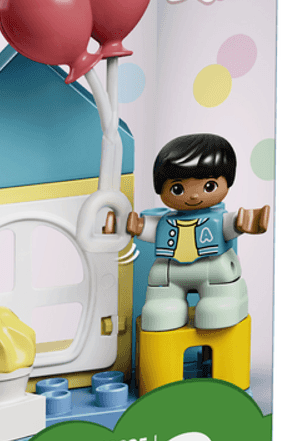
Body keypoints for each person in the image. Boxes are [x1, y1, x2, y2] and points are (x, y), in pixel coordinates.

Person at [107, 133, 269, 331]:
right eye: (177, 189)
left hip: (213, 270)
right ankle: (166, 305)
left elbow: (233, 223)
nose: (193, 196)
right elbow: (145, 228)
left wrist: (246, 221)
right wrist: (128, 226)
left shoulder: (219, 219)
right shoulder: (164, 222)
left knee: (215, 310)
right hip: (170, 274)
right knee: (160, 310)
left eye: (208, 186)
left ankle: (223, 302)